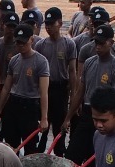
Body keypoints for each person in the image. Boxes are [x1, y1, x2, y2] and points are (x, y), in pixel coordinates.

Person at [67, 25, 115, 163]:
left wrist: (111, 121)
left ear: (111, 43)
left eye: (102, 43)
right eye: (96, 42)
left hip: (105, 116)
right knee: (73, 153)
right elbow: (80, 91)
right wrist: (68, 117)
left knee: (97, 157)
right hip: (87, 113)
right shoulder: (89, 62)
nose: (97, 46)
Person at [0, 23, 49, 152]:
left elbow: (43, 92)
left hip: (30, 106)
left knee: (29, 145)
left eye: (24, 42)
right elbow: (6, 88)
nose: (21, 46)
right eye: (18, 43)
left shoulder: (41, 62)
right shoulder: (14, 60)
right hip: (13, 104)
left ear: (31, 40)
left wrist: (44, 118)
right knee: (10, 144)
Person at [36, 8, 76, 144]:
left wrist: (73, 92)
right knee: (43, 123)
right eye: (46, 24)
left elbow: (72, 70)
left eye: (51, 24)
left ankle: (59, 150)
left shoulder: (69, 44)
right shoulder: (41, 45)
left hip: (60, 89)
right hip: (45, 89)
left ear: (59, 23)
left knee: (59, 125)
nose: (48, 27)